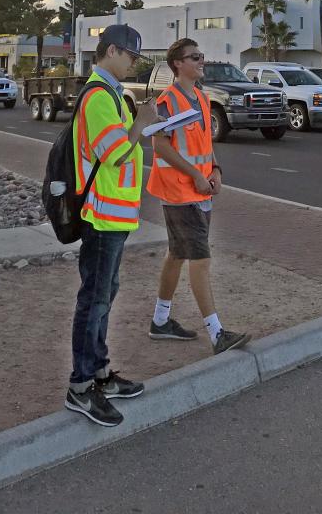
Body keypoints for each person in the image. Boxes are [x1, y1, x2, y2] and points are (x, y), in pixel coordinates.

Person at [66, 23, 160, 427]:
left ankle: (100, 373)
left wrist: (142, 123)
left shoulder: (111, 95)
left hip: (114, 215)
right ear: (110, 52)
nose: (134, 64)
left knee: (104, 295)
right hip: (101, 216)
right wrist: (141, 124)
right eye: (131, 56)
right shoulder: (98, 97)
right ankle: (81, 386)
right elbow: (115, 154)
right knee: (95, 299)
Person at [147, 38, 250, 355]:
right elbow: (160, 145)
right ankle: (217, 334)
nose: (201, 61)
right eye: (195, 57)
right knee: (200, 259)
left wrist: (215, 170)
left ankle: (160, 321)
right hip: (180, 192)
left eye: (202, 55)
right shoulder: (166, 101)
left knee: (177, 254)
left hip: (199, 189)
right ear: (177, 63)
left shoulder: (202, 98)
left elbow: (206, 142)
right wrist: (194, 175)